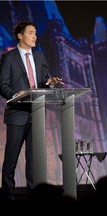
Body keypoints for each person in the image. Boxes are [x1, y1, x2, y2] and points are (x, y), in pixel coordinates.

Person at [0, 21, 63, 200]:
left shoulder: (40, 57)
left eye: (35, 32)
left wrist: (50, 83)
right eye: (30, 33)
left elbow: (43, 81)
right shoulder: (9, 58)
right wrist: (15, 94)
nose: (35, 36)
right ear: (20, 36)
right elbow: (2, 85)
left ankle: (33, 195)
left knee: (34, 159)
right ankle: (8, 195)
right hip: (17, 113)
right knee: (11, 159)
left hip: (37, 112)